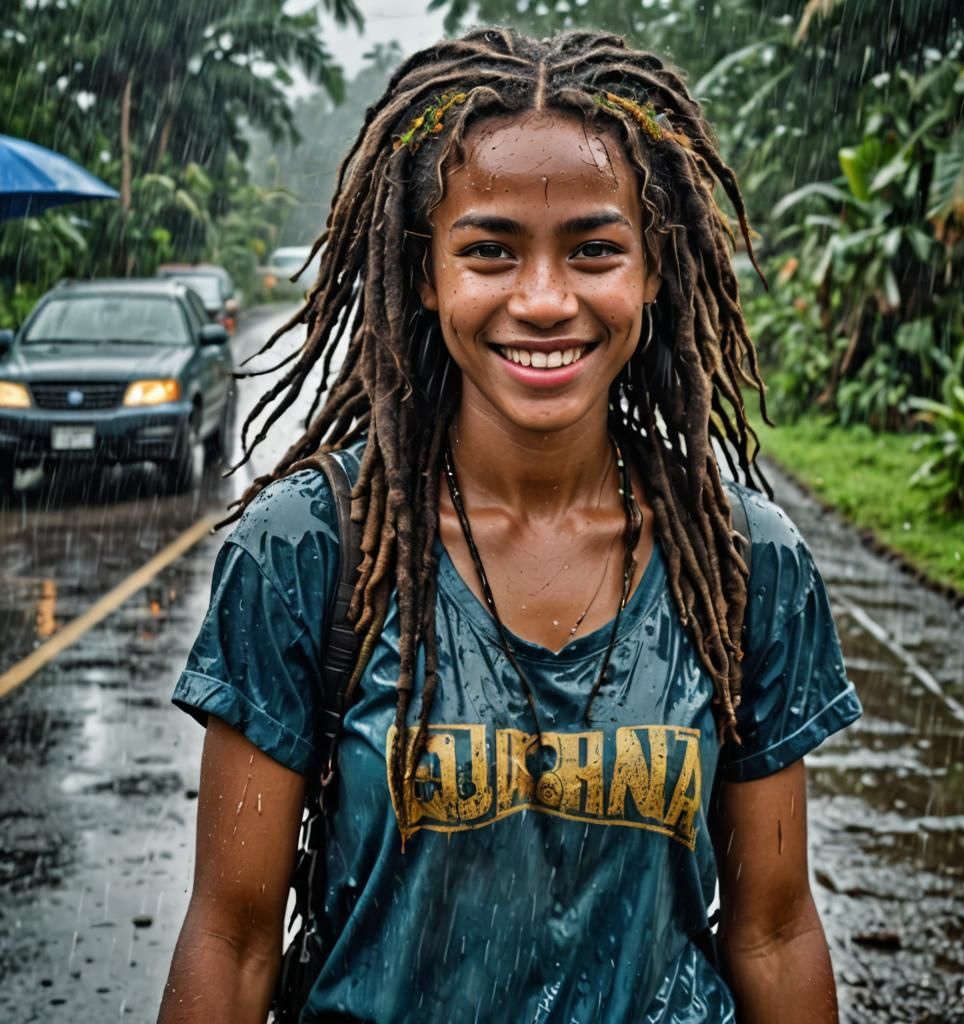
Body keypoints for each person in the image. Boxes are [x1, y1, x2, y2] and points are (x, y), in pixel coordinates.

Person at [158, 27, 862, 1024]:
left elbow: (775, 931)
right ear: (426, 272)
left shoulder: (744, 562)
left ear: (653, 271)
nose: (542, 300)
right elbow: (231, 944)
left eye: (594, 249)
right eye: (490, 250)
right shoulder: (309, 552)